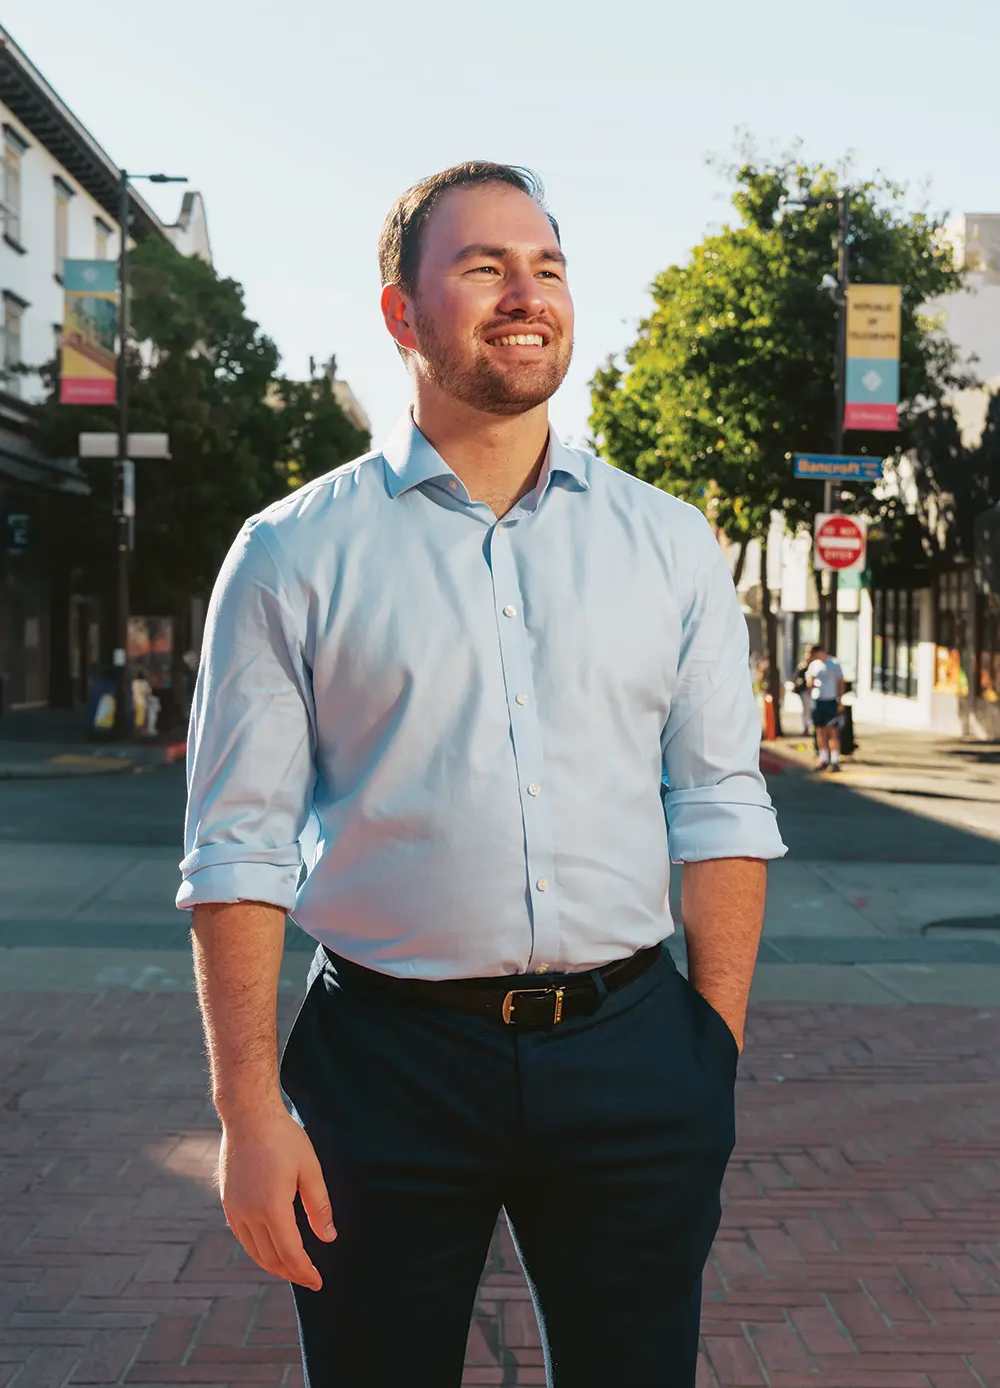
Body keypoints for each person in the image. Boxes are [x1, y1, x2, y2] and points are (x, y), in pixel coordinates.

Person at [178, 161, 787, 1388]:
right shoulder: (291, 552)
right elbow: (235, 848)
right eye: (483, 266)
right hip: (383, 1066)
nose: (527, 292)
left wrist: (705, 1061)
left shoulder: (667, 543)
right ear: (402, 313)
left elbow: (720, 807)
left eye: (547, 265)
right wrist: (249, 1114)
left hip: (633, 1054)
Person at [805, 642, 846, 771]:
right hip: (818, 700)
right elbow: (809, 683)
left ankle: (835, 759)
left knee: (832, 730)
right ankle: (823, 758)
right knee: (820, 730)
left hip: (831, 700)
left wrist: (840, 699)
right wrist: (810, 682)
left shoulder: (834, 664)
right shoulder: (814, 665)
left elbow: (840, 681)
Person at [792, 646, 814, 736]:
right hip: (805, 691)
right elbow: (797, 678)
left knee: (811, 709)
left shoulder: (815, 665)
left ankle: (811, 726)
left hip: (813, 691)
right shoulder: (802, 666)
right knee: (806, 709)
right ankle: (806, 726)